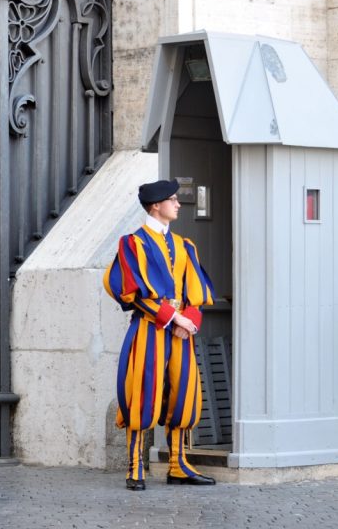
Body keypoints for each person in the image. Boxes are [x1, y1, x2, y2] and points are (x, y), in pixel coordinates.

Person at [103, 179, 216, 491]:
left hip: (180, 333)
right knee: (143, 391)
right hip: (149, 330)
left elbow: (196, 290)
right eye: (173, 200)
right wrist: (173, 316)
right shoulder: (133, 244)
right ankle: (135, 466)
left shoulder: (185, 245)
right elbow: (131, 292)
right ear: (156, 205)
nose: (178, 204)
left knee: (183, 393)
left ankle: (178, 465)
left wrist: (189, 321)